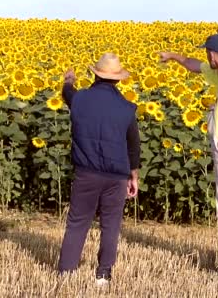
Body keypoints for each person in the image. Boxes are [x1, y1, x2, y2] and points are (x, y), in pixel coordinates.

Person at [158, 33, 218, 277]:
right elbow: (194, 66)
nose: (205, 58)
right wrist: (173, 57)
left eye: (206, 53)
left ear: (212, 54)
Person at [57, 52, 140, 286]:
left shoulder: (80, 99)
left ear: (95, 75)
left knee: (78, 222)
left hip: (87, 173)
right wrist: (133, 175)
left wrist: (68, 80)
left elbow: (67, 94)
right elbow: (133, 145)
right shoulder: (126, 108)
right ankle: (103, 274)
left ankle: (66, 272)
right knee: (111, 224)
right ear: (118, 79)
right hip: (116, 176)